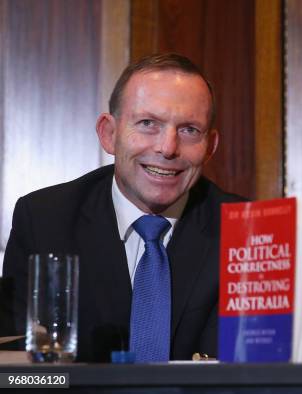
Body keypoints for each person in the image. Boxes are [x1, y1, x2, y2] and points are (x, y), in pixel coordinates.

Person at [1, 53, 244, 362]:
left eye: (189, 130)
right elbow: (21, 375)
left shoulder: (247, 230)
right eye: (148, 123)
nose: (167, 148)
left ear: (209, 147)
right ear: (109, 133)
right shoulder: (45, 220)